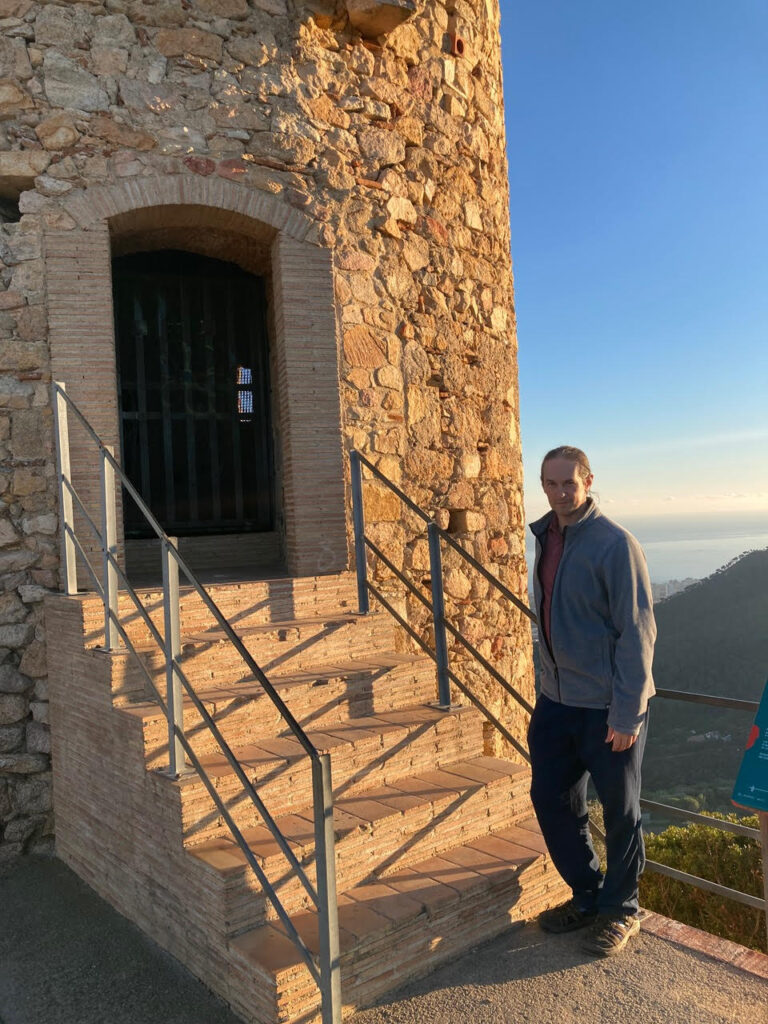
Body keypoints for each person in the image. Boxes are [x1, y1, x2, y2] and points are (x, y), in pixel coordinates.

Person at [528, 445, 656, 956]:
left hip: (607, 708)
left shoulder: (614, 544)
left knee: (622, 812)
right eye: (551, 484)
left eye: (569, 483)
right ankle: (588, 892)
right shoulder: (546, 537)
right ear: (542, 486)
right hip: (556, 703)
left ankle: (622, 909)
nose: (560, 493)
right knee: (552, 800)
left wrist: (627, 713)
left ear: (588, 481)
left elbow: (638, 632)